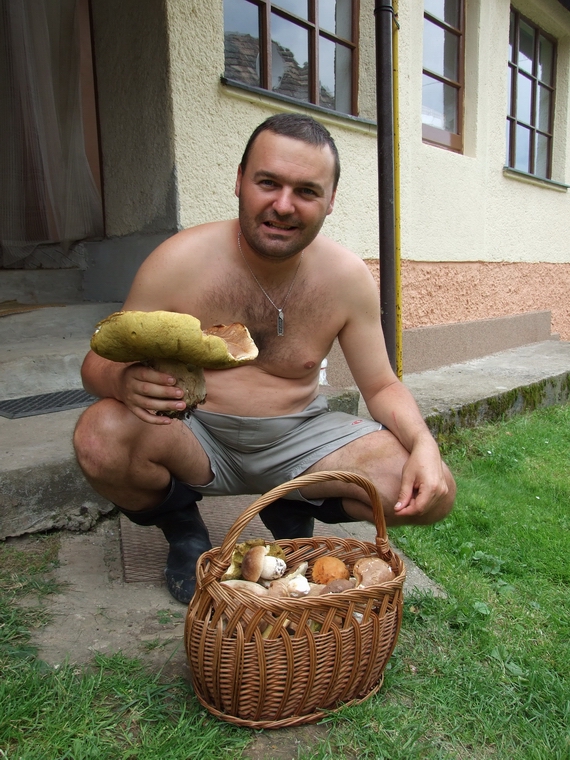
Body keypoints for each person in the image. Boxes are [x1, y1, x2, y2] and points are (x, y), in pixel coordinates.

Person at [74, 113, 456, 604]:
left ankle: (294, 500)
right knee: (99, 437)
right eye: (268, 183)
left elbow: (381, 387)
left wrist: (424, 443)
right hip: (194, 432)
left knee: (431, 491)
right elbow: (96, 363)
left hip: (300, 437)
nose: (283, 205)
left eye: (306, 191)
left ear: (331, 201)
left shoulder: (346, 278)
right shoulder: (179, 260)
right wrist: (122, 382)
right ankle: (183, 528)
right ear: (239, 182)